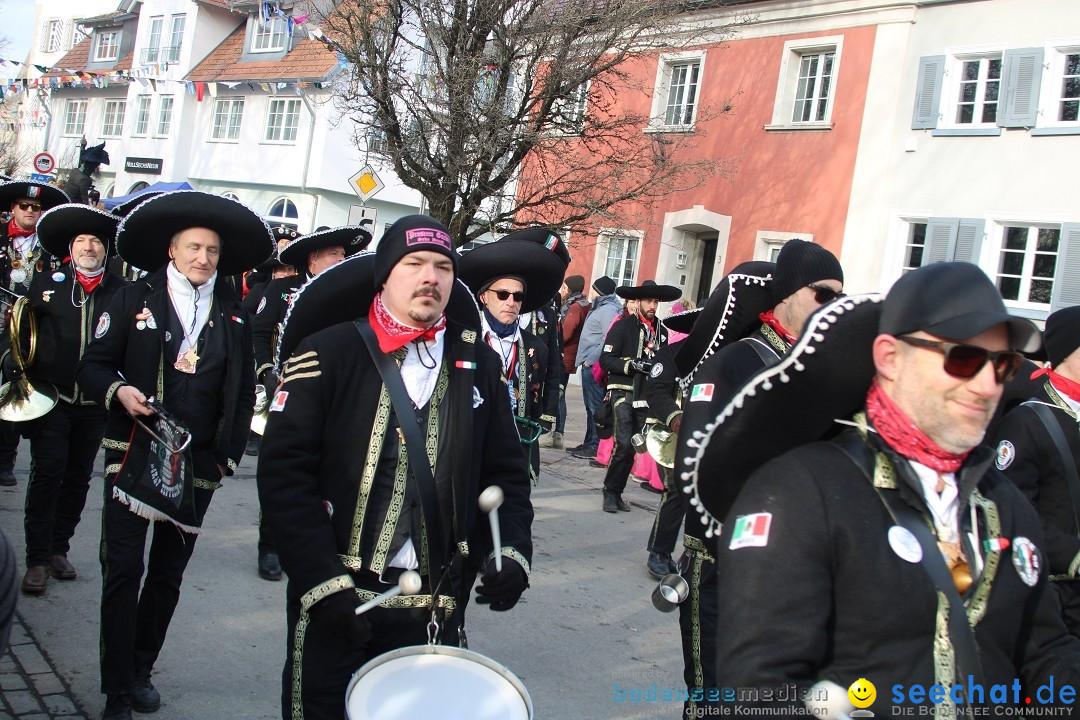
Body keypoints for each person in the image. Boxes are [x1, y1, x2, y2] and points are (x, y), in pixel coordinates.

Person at [697, 262, 1080, 714]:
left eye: (1003, 364)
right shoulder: (802, 491)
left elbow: (1043, 651)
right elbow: (760, 692)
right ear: (890, 358)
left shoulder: (1003, 502)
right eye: (964, 358)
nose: (986, 384)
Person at [257, 215, 534, 720]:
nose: (431, 276)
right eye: (415, 264)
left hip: (435, 602)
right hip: (340, 599)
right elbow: (285, 477)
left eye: (443, 267)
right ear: (385, 275)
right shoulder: (327, 353)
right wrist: (322, 584)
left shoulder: (479, 365)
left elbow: (507, 474)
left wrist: (510, 552)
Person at [78, 190, 271, 720]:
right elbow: (93, 366)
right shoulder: (131, 299)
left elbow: (239, 393)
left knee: (167, 574)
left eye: (211, 250)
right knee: (122, 569)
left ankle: (141, 669)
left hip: (197, 464)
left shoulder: (233, 314)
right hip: (133, 453)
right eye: (193, 247)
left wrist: (227, 456)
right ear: (172, 249)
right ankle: (116, 687)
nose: (203, 258)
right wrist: (117, 391)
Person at [673, 243, 841, 718]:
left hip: (799, 567)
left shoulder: (822, 366)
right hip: (725, 563)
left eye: (840, 298)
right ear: (788, 293)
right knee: (716, 696)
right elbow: (700, 467)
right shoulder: (738, 361)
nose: (832, 307)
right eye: (822, 294)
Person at [12, 204, 126, 595]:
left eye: (95, 241)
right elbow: (19, 329)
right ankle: (37, 558)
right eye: (81, 241)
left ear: (105, 249)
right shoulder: (48, 283)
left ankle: (59, 548)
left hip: (95, 404)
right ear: (70, 247)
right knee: (47, 475)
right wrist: (12, 361)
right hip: (52, 397)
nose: (89, 247)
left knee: (78, 478)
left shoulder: (121, 292)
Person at [250, 225, 370, 580]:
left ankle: (319, 544)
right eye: (334, 254)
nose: (341, 260)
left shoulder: (348, 293)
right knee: (285, 466)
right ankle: (269, 546)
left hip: (334, 393)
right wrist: (267, 371)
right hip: (289, 389)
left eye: (343, 254)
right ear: (314, 259)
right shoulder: (282, 288)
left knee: (331, 468)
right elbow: (258, 332)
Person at [991, 305, 1080, 638]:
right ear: (1067, 353)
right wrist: (1072, 556)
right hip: (1055, 593)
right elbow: (1013, 508)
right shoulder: (1027, 420)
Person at [459, 236, 565, 484]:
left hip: (517, 447)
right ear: (484, 297)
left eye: (518, 297)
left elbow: (542, 388)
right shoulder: (465, 338)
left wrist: (544, 418)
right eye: (503, 294)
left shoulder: (535, 346)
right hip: (470, 446)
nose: (511, 302)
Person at [0, 180, 69, 486]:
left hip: (26, 332)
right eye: (24, 206)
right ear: (12, 209)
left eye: (36, 208)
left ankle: (4, 459)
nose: (30, 212)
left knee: (15, 390)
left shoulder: (51, 246)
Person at [598, 279, 681, 512]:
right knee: (623, 443)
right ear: (638, 302)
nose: (652, 305)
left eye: (655, 301)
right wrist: (632, 364)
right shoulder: (623, 326)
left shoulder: (663, 332)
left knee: (636, 445)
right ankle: (610, 492)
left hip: (647, 396)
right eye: (648, 300)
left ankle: (618, 492)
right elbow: (606, 360)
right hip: (623, 392)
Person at [569, 276, 620, 459]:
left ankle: (595, 444)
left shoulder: (607, 309)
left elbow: (608, 338)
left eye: (593, 289)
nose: (590, 292)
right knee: (590, 406)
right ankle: (589, 441)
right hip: (590, 363)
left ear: (599, 291)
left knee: (595, 407)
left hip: (595, 365)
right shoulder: (600, 306)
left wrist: (590, 359)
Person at [550, 274, 589, 450]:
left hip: (565, 357)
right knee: (560, 394)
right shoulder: (583, 304)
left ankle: (558, 433)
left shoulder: (575, 307)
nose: (563, 291)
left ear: (571, 288)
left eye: (565, 287)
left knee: (559, 395)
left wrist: (552, 340)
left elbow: (564, 333)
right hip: (569, 356)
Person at [66, 141, 110, 205]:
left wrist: (83, 147)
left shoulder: (74, 171)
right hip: (73, 205)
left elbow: (81, 162)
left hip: (66, 201)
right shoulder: (85, 179)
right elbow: (84, 198)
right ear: (92, 167)